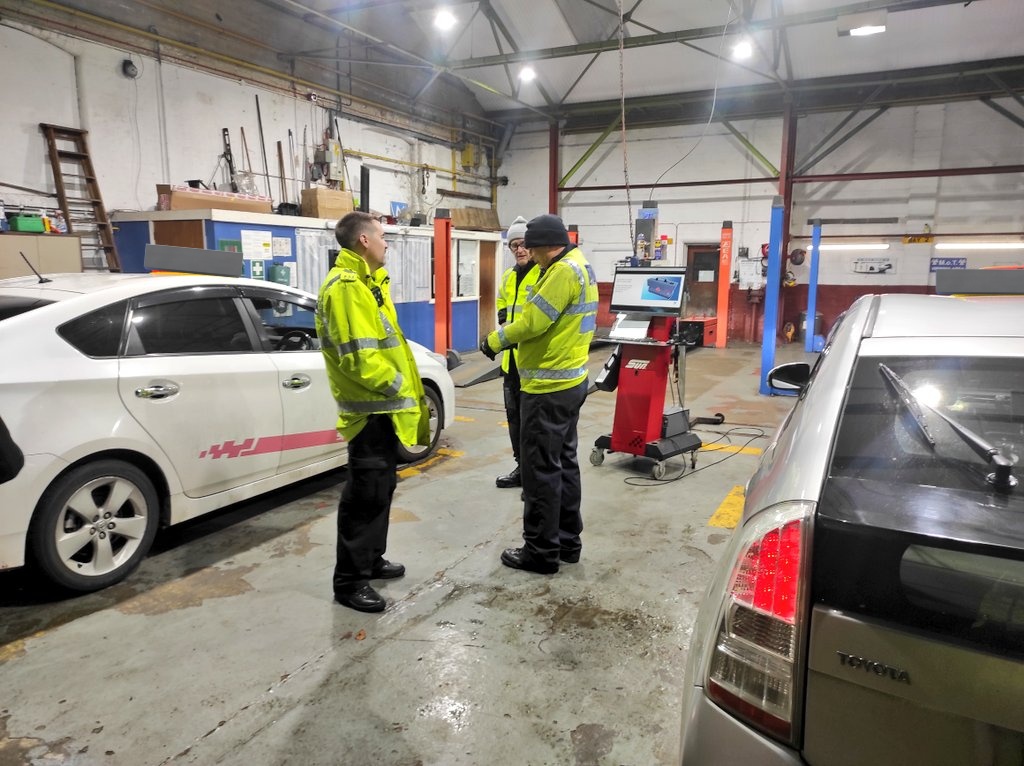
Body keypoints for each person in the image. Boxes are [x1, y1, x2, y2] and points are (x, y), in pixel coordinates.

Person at [316, 211, 431, 613]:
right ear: (363, 241)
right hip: (369, 413)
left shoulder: (369, 284)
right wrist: (401, 387)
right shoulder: (346, 287)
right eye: (382, 236)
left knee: (381, 490)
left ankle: (371, 559)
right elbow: (359, 359)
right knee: (363, 498)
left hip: (383, 412)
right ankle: (349, 581)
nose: (387, 243)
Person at [479, 214, 598, 574]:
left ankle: (541, 551)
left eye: (531, 248)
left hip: (547, 386)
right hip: (570, 380)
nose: (529, 254)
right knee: (562, 465)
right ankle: (566, 542)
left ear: (547, 245)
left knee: (539, 471)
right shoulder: (580, 264)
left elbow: (533, 322)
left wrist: (494, 341)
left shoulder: (561, 271)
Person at [494, 216, 540, 489]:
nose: (519, 250)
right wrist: (503, 322)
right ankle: (522, 468)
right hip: (511, 363)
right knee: (514, 420)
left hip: (533, 364)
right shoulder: (509, 277)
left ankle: (536, 476)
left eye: (523, 244)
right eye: (514, 246)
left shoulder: (543, 274)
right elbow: (502, 300)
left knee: (533, 423)